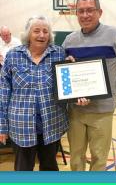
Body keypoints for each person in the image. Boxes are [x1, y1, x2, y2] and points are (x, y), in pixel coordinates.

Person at [62, 0, 116, 171]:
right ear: (76, 13)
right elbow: (63, 72)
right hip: (76, 112)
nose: (85, 15)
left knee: (99, 159)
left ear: (99, 12)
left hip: (102, 112)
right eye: (81, 11)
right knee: (76, 158)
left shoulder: (115, 35)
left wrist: (109, 91)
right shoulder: (69, 40)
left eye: (90, 10)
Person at [0, 15, 69, 171]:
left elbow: (67, 84)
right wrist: (2, 126)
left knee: (49, 167)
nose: (41, 35)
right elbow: (3, 92)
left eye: (45, 31)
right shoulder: (13, 55)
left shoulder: (59, 53)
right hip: (21, 126)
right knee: (23, 169)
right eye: (36, 30)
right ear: (28, 34)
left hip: (52, 124)